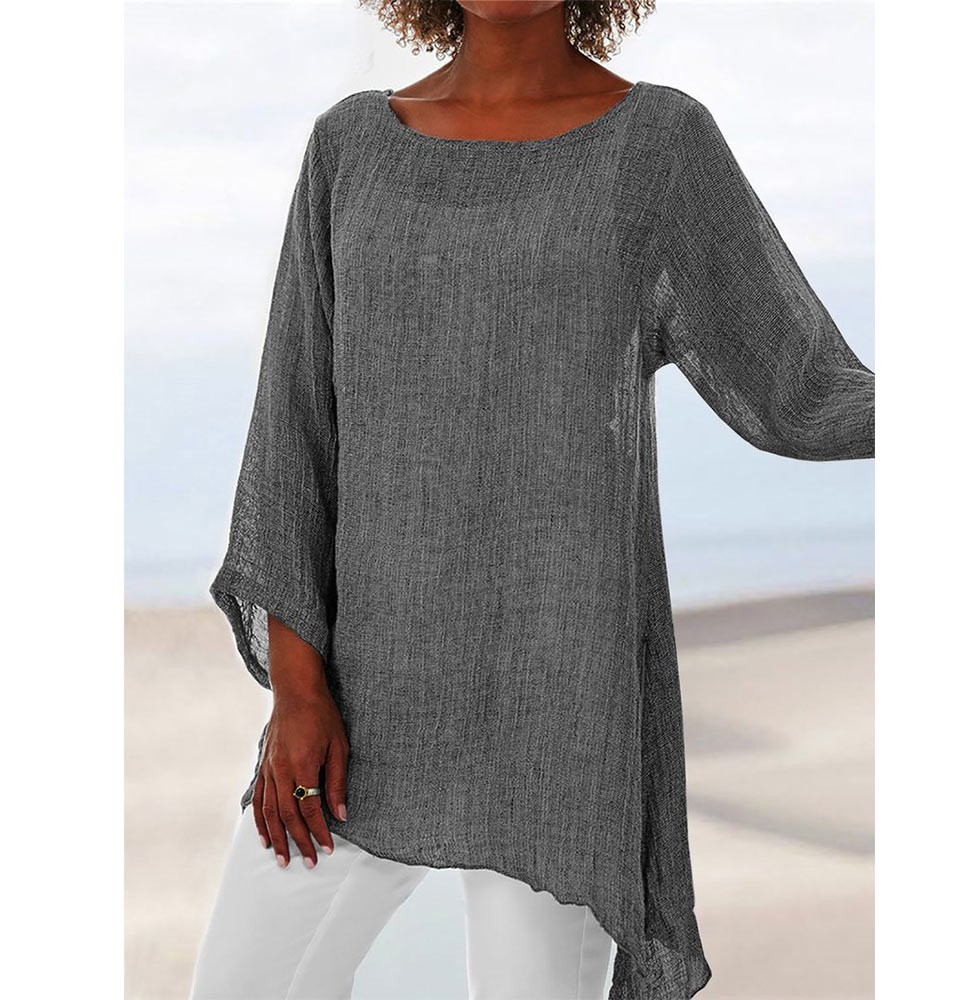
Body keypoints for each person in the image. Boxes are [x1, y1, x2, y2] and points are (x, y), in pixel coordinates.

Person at [189, 2, 876, 999]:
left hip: (561, 702)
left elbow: (798, 384)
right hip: (360, 701)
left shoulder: (659, 146)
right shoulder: (349, 148)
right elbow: (294, 424)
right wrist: (298, 689)